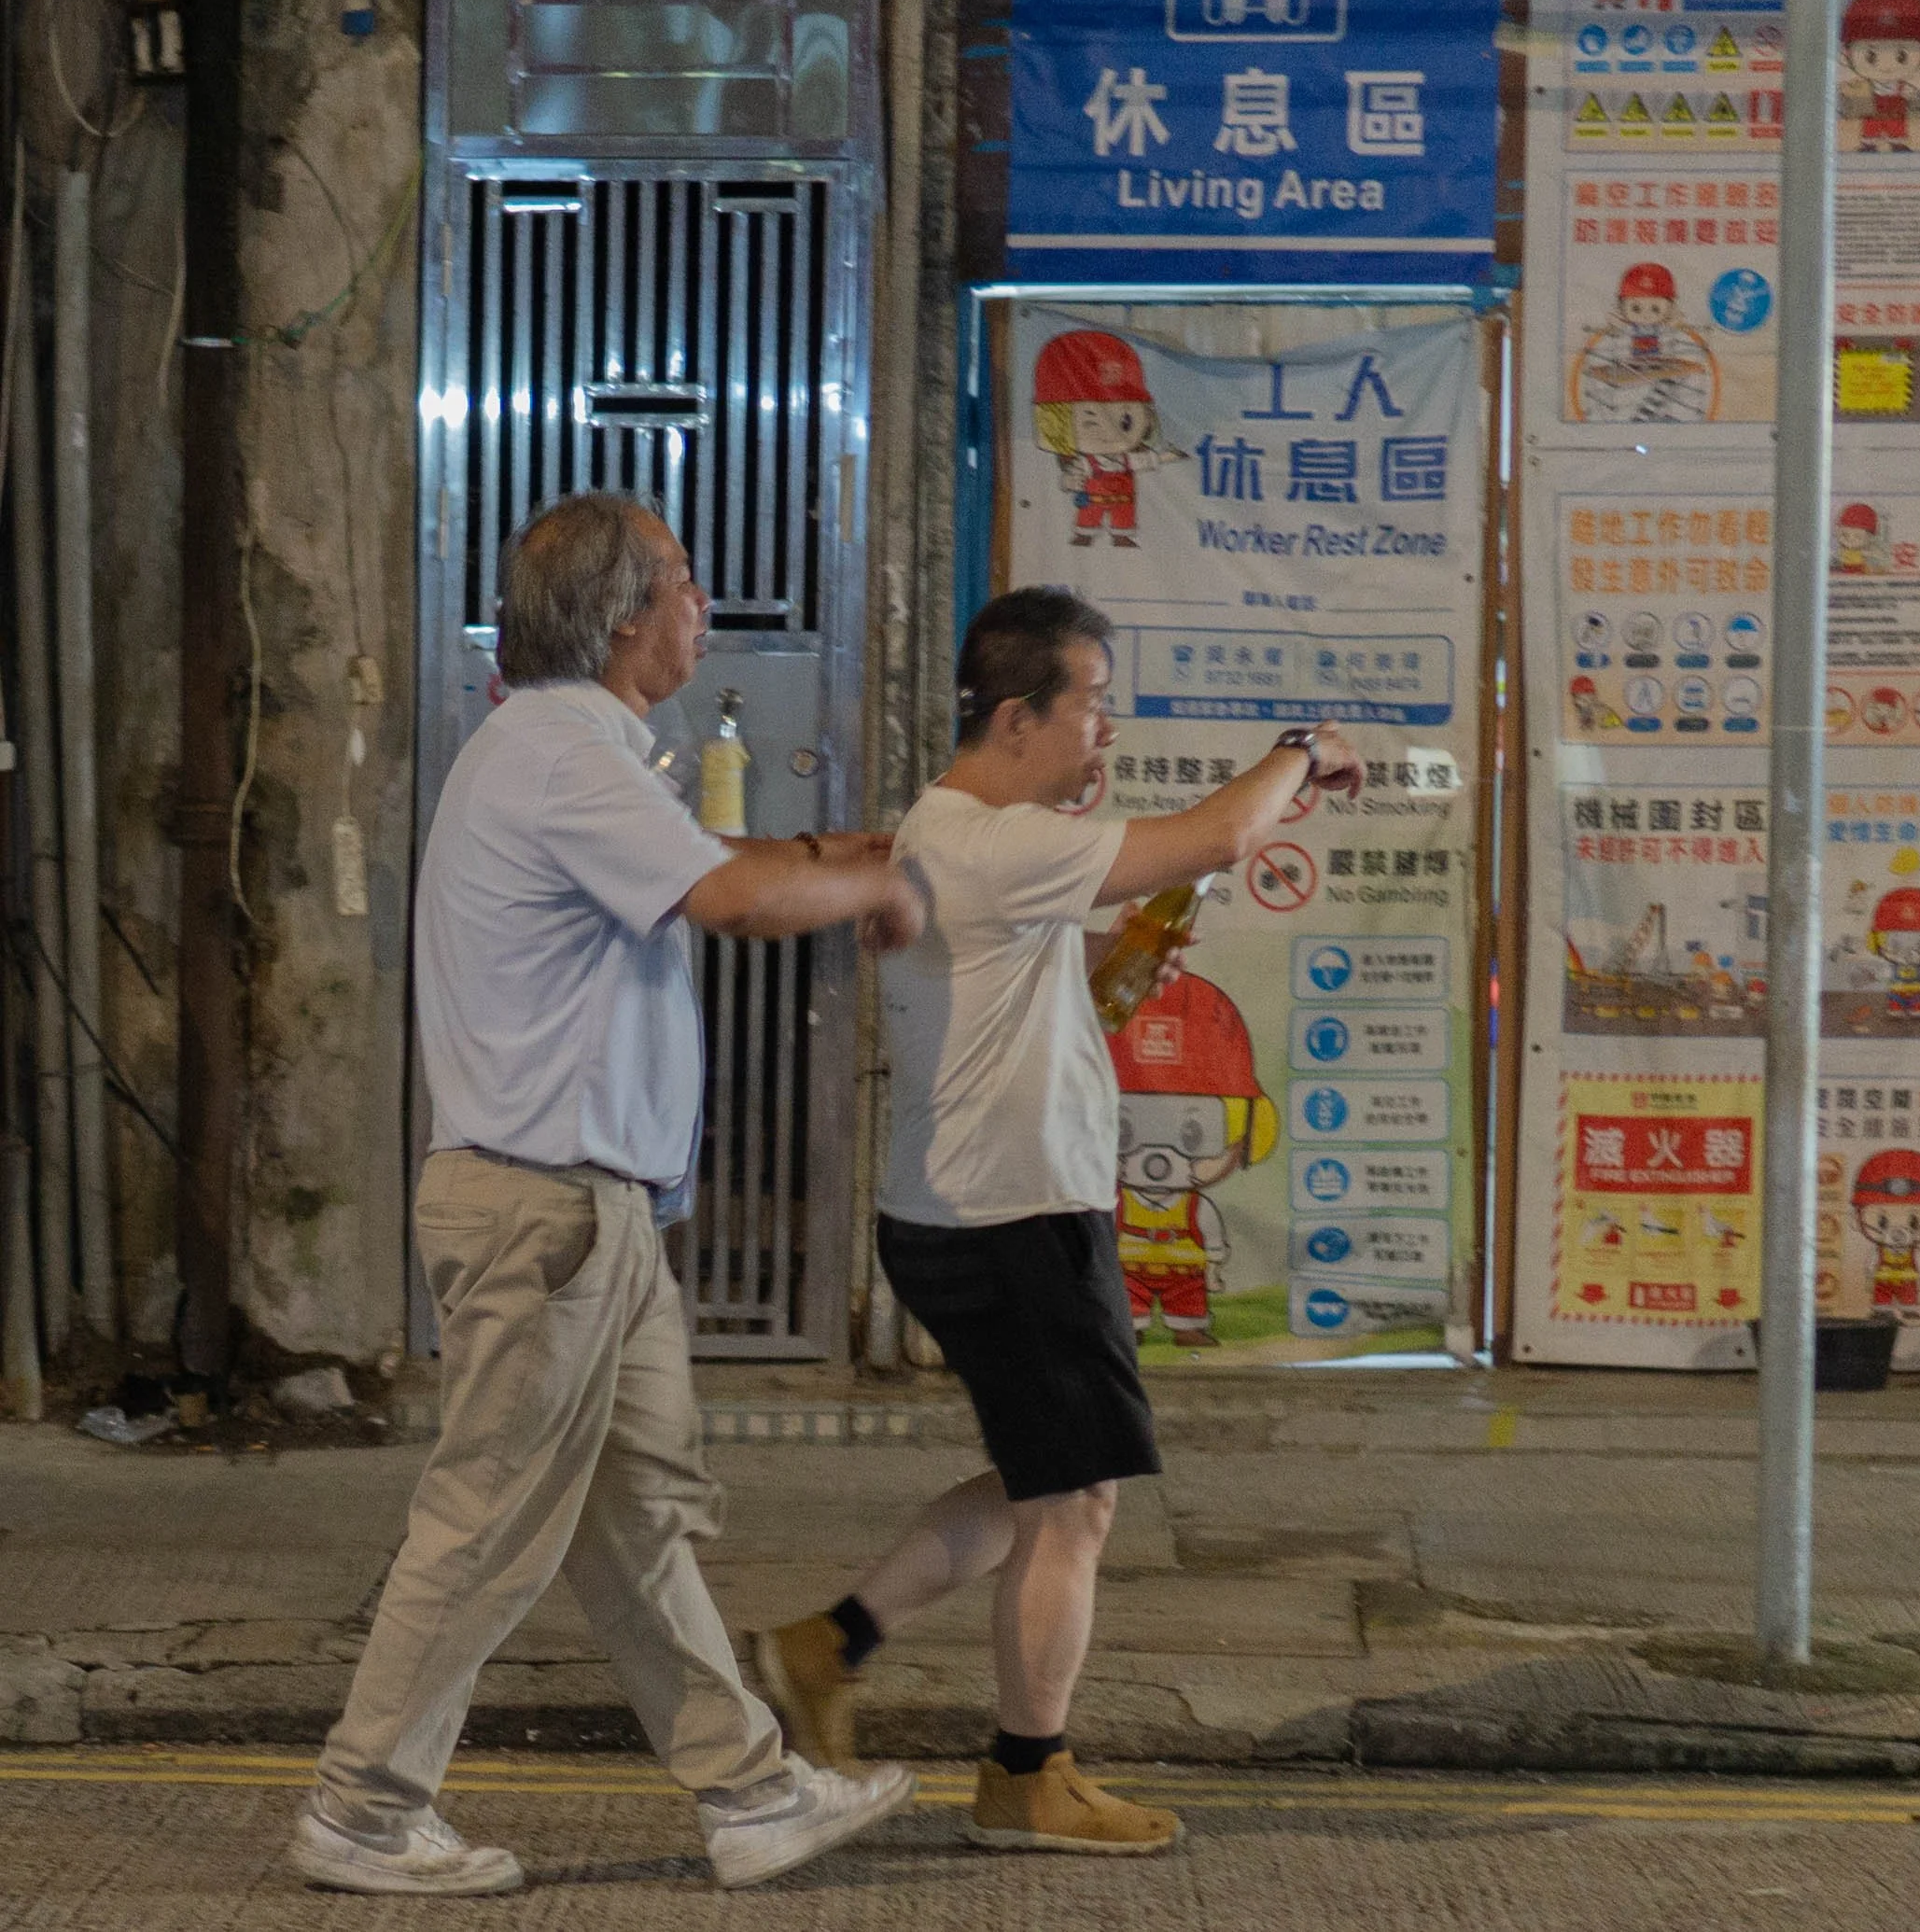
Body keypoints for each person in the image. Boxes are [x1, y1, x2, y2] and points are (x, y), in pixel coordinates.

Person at [292, 493, 924, 1897]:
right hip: (544, 1213)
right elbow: (733, 899)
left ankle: (751, 1793)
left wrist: (866, 862)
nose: (706, 609)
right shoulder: (557, 755)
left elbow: (742, 874)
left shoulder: (578, 756)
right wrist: (880, 876)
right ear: (624, 616)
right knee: (487, 1524)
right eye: (688, 584)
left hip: (594, 1213)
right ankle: (361, 1809)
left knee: (640, 1518)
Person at [751, 585, 1361, 1855]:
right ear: (1020, 713)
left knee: (1047, 1484)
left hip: (975, 1205)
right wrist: (1299, 752)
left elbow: (1064, 962)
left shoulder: (969, 835)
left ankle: (833, 1644)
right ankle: (1027, 1774)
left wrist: (1134, 936)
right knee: (1076, 1501)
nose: (1106, 727)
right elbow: (1207, 836)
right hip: (1011, 1213)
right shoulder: (983, 837)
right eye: (1092, 701)